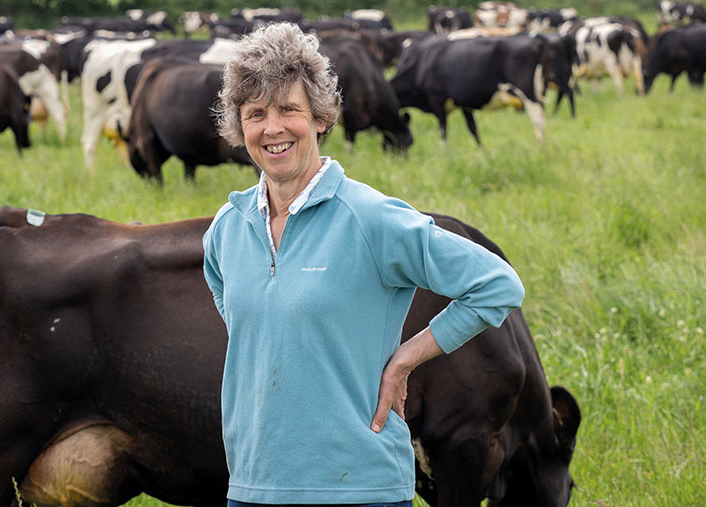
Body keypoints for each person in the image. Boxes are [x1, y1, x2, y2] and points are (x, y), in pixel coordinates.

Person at [202, 22, 525, 506]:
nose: (272, 128)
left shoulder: (371, 217)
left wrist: (403, 361)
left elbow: (497, 284)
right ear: (238, 125)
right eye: (255, 113)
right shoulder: (226, 228)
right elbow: (233, 303)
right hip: (252, 485)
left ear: (320, 118)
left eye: (289, 109)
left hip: (360, 486)